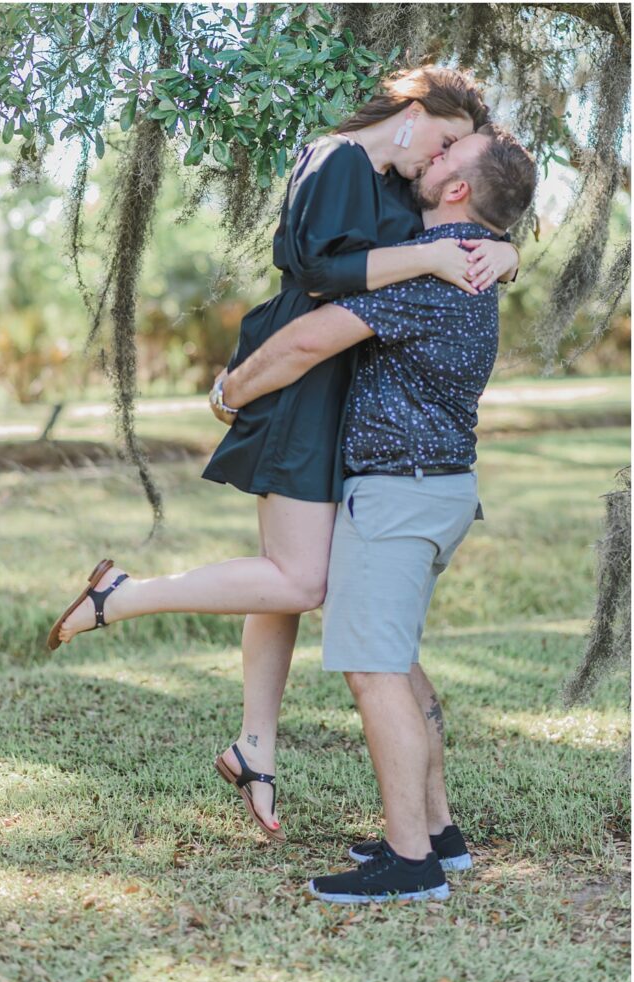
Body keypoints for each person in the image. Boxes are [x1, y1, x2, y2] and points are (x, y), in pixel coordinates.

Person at [47, 67, 520, 843]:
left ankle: (255, 746)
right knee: (301, 578)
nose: (439, 164)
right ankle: (122, 597)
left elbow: (466, 227)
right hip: (303, 378)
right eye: (443, 143)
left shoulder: (403, 185)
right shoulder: (332, 158)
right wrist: (435, 260)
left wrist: (502, 256)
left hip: (358, 388)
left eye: (452, 157)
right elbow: (317, 272)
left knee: (298, 575)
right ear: (413, 111)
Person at [215, 123, 537, 901]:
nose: (431, 158)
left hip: (399, 495)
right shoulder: (468, 266)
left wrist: (230, 393)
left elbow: (304, 344)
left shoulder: (433, 277)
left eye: (447, 158)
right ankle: (440, 832)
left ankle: (411, 862)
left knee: (375, 670)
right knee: (400, 661)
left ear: (458, 191)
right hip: (435, 489)